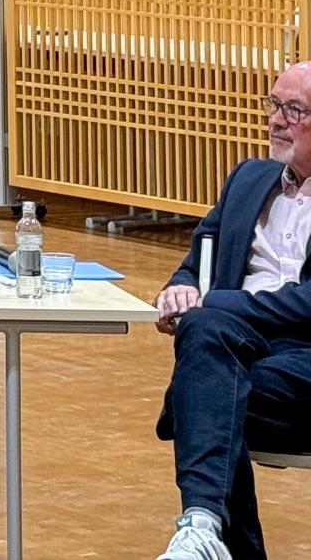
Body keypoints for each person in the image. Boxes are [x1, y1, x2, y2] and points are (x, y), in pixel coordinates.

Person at [152, 62, 311, 560]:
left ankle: (205, 530)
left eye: (294, 110)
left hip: (304, 357)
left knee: (202, 393)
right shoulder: (248, 178)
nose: (276, 120)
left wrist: (213, 302)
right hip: (239, 348)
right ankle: (202, 527)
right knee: (210, 365)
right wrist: (178, 292)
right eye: (273, 104)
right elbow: (197, 260)